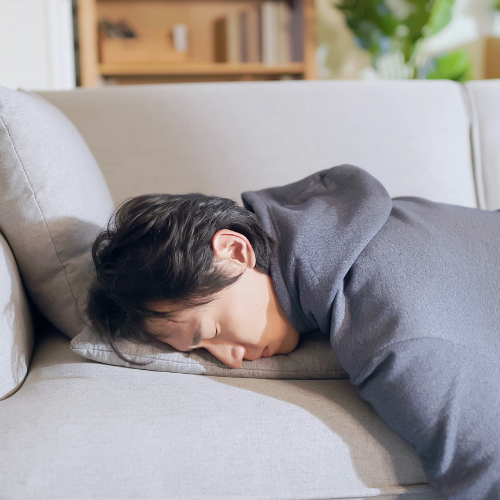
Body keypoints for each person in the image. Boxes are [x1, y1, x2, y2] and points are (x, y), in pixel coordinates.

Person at [88, 164, 500, 499]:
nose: (228, 358)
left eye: (209, 330)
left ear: (234, 251)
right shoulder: (342, 215)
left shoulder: (393, 338)